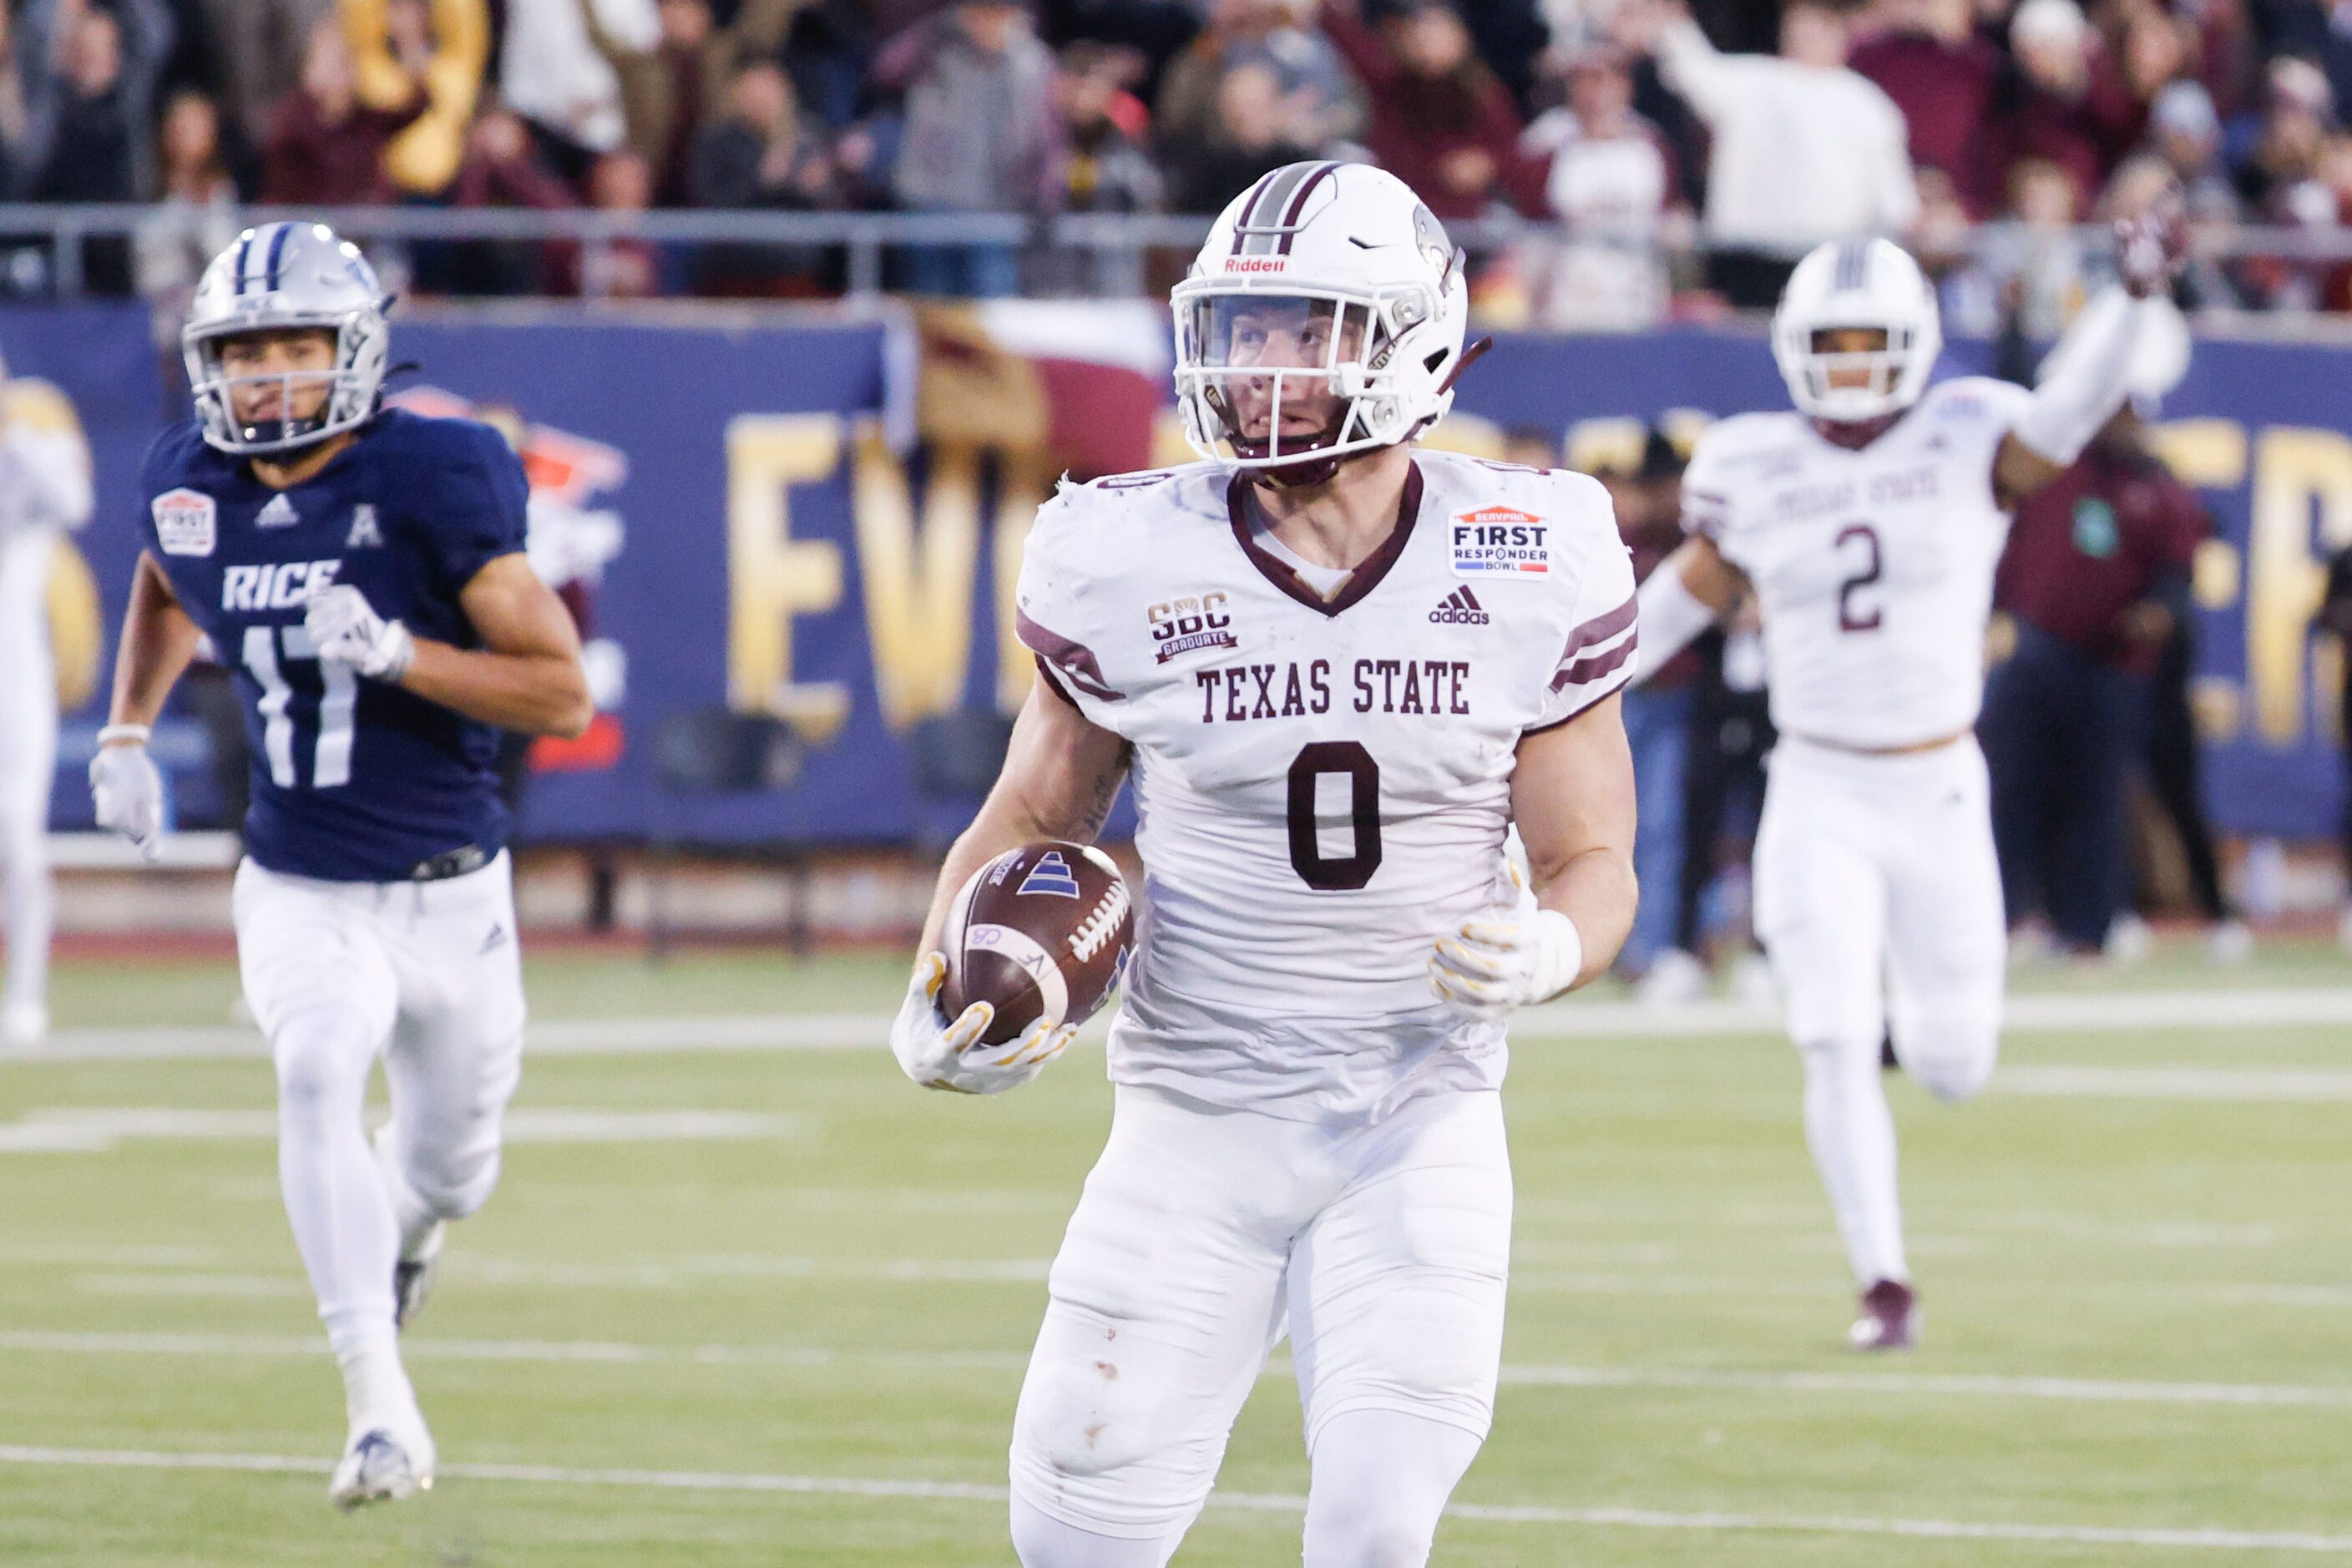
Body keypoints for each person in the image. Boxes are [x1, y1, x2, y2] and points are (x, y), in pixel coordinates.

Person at [889, 161, 1639, 1566]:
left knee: (1370, 1530)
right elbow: (1032, 814)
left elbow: (1594, 853)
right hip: (1194, 1107)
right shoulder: (1121, 550)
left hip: (1415, 1106)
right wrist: (936, 980)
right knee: (1072, 1534)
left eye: (1305, 328)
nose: (1261, 367)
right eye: (1240, 327)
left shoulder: (1531, 546)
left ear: (1412, 338)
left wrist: (1552, 944)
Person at [89, 222, 592, 1507]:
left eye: (295, 349)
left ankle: (409, 1237)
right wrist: (128, 726)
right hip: (300, 879)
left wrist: (401, 656)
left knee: (450, 1171)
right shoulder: (186, 477)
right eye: (243, 354)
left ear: (355, 351)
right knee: (313, 1066)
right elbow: (164, 575)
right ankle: (379, 1410)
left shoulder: (436, 472)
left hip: (450, 887)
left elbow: (559, 693)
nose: (266, 381)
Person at [1628, 220, 2181, 1350]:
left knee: (1953, 1065)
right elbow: (1685, 594)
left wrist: (2125, 300)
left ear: (1916, 343)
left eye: (1867, 341)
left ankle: (1894, 1025)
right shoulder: (1750, 459)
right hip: (1817, 781)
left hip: (1935, 786)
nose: (1845, 365)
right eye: (1826, 342)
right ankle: (1883, 1280)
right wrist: (1556, 683)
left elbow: (2069, 408)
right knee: (1828, 1037)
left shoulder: (1966, 434)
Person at [1982, 293, 2204, 959]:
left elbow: (2178, 565)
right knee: (2011, 790)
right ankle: (2011, 917)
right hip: (2034, 647)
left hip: (2110, 664)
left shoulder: (2153, 484)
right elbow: (2019, 390)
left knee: (2096, 800)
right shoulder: (2049, 460)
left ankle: (2088, 927)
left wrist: (2159, 611)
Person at [0, 352, 96, 1048]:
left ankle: (26, 992)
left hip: (14, 661)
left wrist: (17, 439)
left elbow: (76, 505)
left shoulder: (30, 435)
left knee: (16, 835)